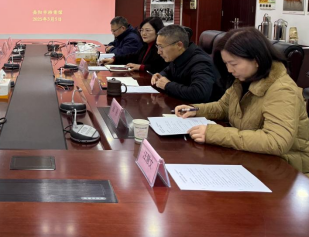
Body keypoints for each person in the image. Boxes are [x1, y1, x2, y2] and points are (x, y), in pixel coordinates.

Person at [175, 28, 309, 175]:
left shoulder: (282, 89)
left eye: (233, 64)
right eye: (226, 63)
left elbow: (276, 141)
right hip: (255, 159)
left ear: (256, 60)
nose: (229, 69)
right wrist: (195, 110)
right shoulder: (243, 80)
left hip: (286, 169)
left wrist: (215, 134)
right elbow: (223, 107)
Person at [151, 24, 222, 103]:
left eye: (161, 47)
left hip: (204, 109)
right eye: (157, 46)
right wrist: (160, 76)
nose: (158, 52)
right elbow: (168, 71)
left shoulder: (200, 63)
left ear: (179, 45)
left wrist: (167, 85)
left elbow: (199, 93)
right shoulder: (179, 55)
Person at [102, 17, 167, 73]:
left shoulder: (162, 48)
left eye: (147, 30)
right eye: (142, 30)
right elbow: (134, 56)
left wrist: (141, 67)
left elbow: (160, 68)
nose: (143, 33)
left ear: (157, 31)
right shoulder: (146, 45)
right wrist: (114, 59)